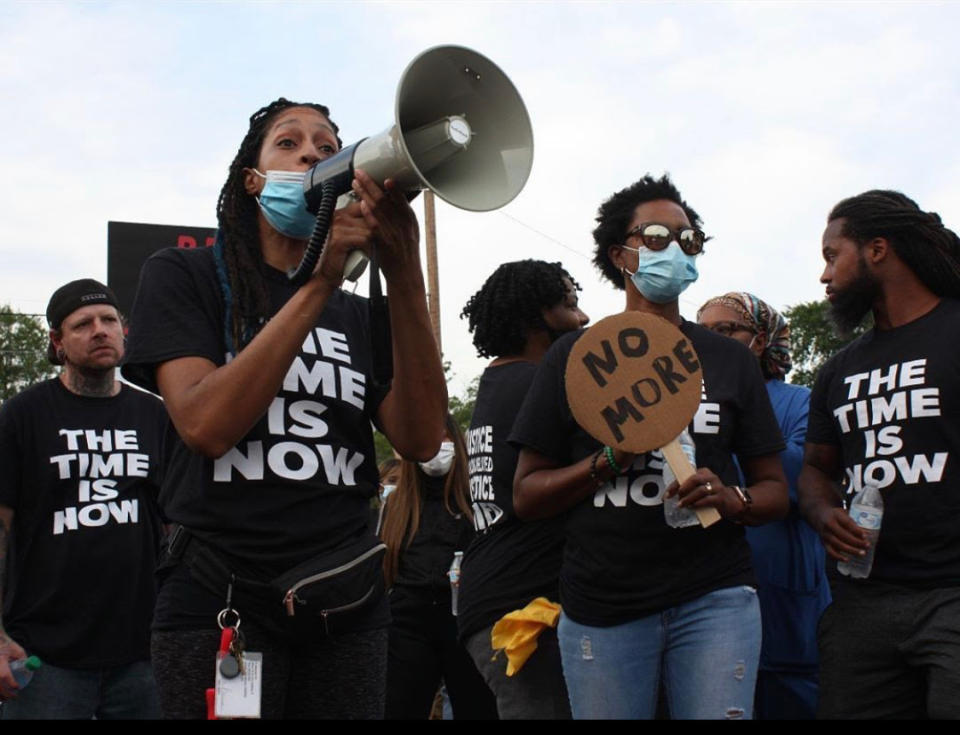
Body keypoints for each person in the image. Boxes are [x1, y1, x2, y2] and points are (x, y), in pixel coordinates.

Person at [122, 98, 446, 719]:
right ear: (252, 180)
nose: (312, 156)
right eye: (289, 144)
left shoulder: (359, 313)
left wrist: (404, 275)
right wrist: (318, 283)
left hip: (344, 600)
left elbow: (423, 438)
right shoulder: (187, 276)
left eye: (328, 148)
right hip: (221, 597)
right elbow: (205, 426)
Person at [510, 174, 788, 720]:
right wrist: (605, 462)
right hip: (603, 605)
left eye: (690, 240)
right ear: (621, 254)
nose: (676, 251)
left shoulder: (730, 360)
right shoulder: (573, 357)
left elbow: (775, 490)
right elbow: (526, 495)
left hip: (717, 596)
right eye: (657, 237)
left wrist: (734, 500)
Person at [798, 190, 960, 719]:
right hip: (861, 603)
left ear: (877, 249)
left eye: (831, 255)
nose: (824, 276)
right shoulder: (837, 368)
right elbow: (817, 469)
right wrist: (823, 513)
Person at [0, 279, 166, 719]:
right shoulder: (20, 417)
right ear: (57, 341)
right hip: (44, 656)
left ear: (124, 331)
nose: (100, 331)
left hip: (142, 655)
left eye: (109, 320)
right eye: (82, 324)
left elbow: (174, 529)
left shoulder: (155, 415)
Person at [457, 259, 588, 719]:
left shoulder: (500, 382)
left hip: (493, 598)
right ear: (538, 314)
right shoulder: (539, 384)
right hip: (524, 611)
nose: (583, 318)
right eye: (571, 305)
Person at [698, 292, 830, 719]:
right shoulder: (689, 407)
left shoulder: (799, 400)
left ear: (759, 340)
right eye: (702, 333)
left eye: (726, 331)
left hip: (783, 590)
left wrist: (722, 460)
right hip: (708, 588)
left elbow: (801, 470)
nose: (710, 342)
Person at [379, 414, 497, 720]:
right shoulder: (396, 505)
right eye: (429, 439)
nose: (438, 447)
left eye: (444, 438)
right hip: (407, 624)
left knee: (479, 709)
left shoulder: (476, 502)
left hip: (465, 623)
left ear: (457, 443)